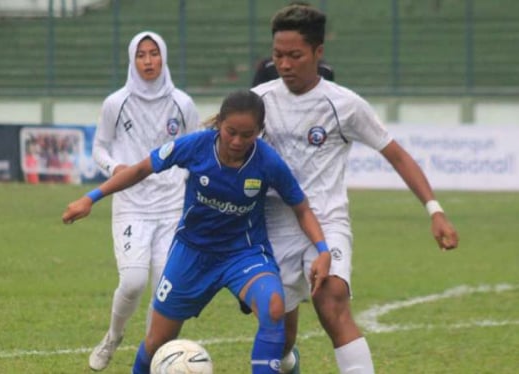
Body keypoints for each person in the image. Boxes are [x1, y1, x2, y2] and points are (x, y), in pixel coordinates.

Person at [251, 5, 459, 373]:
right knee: (279, 329)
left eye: (294, 56)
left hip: (327, 222)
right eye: (278, 55)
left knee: (332, 302)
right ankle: (287, 361)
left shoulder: (344, 105)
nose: (284, 65)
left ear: (318, 52)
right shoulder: (261, 101)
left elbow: (397, 155)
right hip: (275, 226)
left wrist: (435, 210)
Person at [62, 90, 332, 374]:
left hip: (244, 253)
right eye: (231, 132)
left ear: (260, 132)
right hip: (192, 253)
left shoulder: (268, 161)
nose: (237, 141)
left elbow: (301, 208)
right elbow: (142, 168)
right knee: (156, 341)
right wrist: (90, 198)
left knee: (274, 307)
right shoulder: (196, 146)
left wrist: (323, 251)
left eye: (247, 134)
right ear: (219, 124)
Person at [87, 31, 199, 371]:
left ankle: (152, 356)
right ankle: (112, 337)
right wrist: (114, 167)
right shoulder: (115, 103)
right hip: (132, 204)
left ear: (164, 57)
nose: (148, 61)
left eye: (154, 54)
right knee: (133, 282)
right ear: (132, 60)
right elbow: (99, 149)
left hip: (172, 207)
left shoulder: (182, 103)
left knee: (165, 289)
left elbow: (195, 152)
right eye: (141, 55)